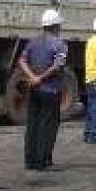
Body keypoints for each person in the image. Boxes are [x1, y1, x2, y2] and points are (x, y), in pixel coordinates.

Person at [18, 9, 68, 171]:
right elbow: (57, 66)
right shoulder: (60, 45)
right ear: (55, 26)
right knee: (48, 126)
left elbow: (21, 61)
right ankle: (43, 161)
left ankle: (30, 160)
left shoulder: (33, 42)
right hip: (51, 90)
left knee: (32, 124)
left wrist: (32, 77)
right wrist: (41, 78)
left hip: (34, 90)